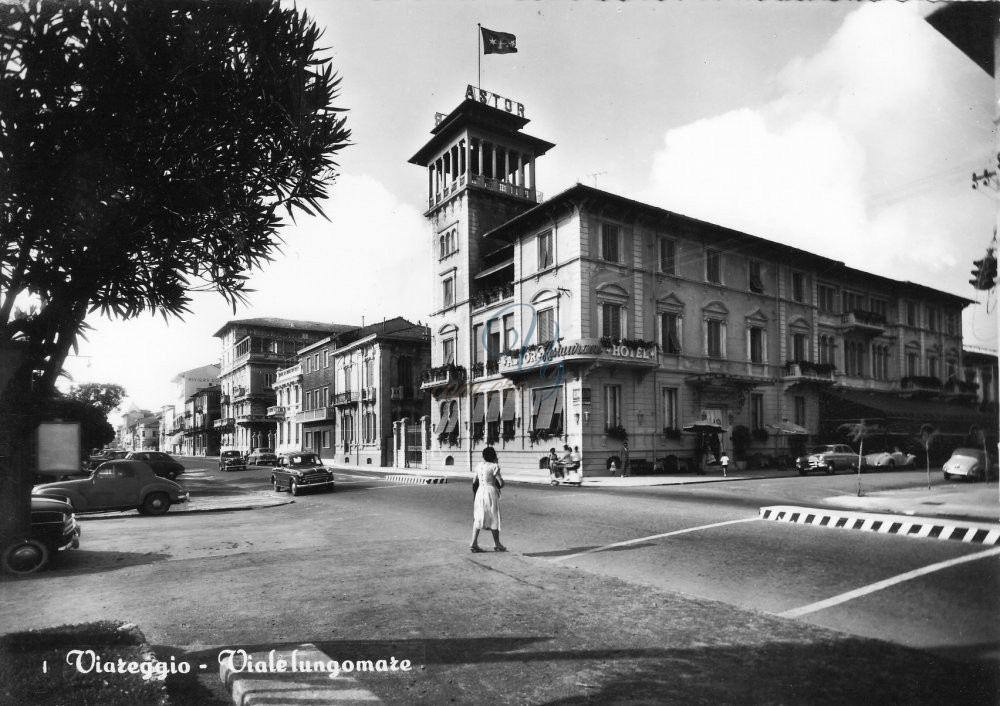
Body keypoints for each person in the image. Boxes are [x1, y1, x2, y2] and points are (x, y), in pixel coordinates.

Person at [471, 446, 506, 553]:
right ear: (494, 456)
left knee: (478, 516)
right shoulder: (494, 466)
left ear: (484, 456)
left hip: (480, 492)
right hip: (490, 492)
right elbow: (501, 483)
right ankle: (497, 544)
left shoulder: (479, 466)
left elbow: (474, 481)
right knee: (494, 516)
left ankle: (473, 543)